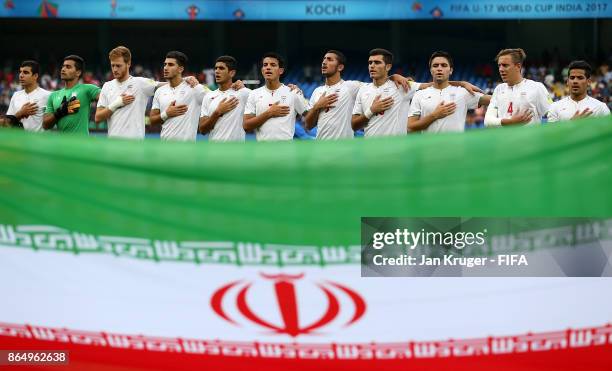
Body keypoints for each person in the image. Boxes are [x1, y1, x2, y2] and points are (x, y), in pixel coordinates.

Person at [95, 46, 199, 139]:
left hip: (136, 147)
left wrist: (185, 79)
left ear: (128, 63)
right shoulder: (107, 86)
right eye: (112, 65)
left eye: (118, 65)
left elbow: (166, 85)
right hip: (113, 145)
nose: (114, 69)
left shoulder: (140, 83)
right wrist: (116, 104)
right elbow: (98, 117)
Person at [304, 50, 412, 140]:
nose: (324, 62)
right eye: (324, 59)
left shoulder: (351, 86)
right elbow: (308, 126)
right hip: (321, 150)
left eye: (329, 59)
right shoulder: (317, 91)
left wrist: (394, 76)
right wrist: (317, 106)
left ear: (340, 67)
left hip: (344, 152)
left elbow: (379, 82)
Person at [408, 51, 491, 133]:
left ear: (451, 70)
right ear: (431, 70)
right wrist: (434, 115)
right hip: (428, 146)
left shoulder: (463, 92)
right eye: (435, 66)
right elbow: (410, 127)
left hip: (455, 146)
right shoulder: (419, 94)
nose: (439, 68)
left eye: (444, 65)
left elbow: (493, 100)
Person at [243, 52, 308, 141]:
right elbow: (246, 126)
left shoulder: (293, 92)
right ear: (262, 70)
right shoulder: (254, 94)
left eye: (273, 65)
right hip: (262, 152)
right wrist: (269, 113)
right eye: (265, 65)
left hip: (285, 152)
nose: (268, 67)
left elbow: (310, 118)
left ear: (280, 71)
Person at [149, 51, 208, 141]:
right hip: (164, 150)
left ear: (180, 69)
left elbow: (217, 96)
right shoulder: (160, 91)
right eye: (165, 64)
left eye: (171, 65)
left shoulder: (194, 88)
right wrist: (166, 114)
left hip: (187, 151)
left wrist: (236, 86)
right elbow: (152, 120)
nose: (165, 68)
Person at [484, 48, 551, 127]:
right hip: (504, 139)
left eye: (505, 65)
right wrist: (510, 122)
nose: (501, 69)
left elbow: (553, 115)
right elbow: (487, 122)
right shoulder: (499, 89)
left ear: (518, 66)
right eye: (499, 65)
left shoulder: (537, 87)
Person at [42, 55, 101, 134]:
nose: (63, 69)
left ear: (78, 72)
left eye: (68, 67)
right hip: (61, 145)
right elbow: (45, 126)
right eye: (63, 66)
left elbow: (107, 99)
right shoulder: (53, 95)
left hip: (82, 144)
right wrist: (59, 113)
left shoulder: (88, 89)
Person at [199, 55, 250, 141]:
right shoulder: (208, 96)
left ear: (232, 73)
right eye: (216, 68)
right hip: (213, 152)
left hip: (237, 153)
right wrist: (217, 112)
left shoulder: (243, 93)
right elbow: (202, 130)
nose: (217, 71)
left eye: (221, 68)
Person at [3, 60, 50, 131]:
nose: (21, 75)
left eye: (25, 72)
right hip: (19, 141)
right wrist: (20, 113)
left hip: (40, 141)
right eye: (20, 72)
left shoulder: (48, 95)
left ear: (35, 76)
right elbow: (7, 122)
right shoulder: (16, 95)